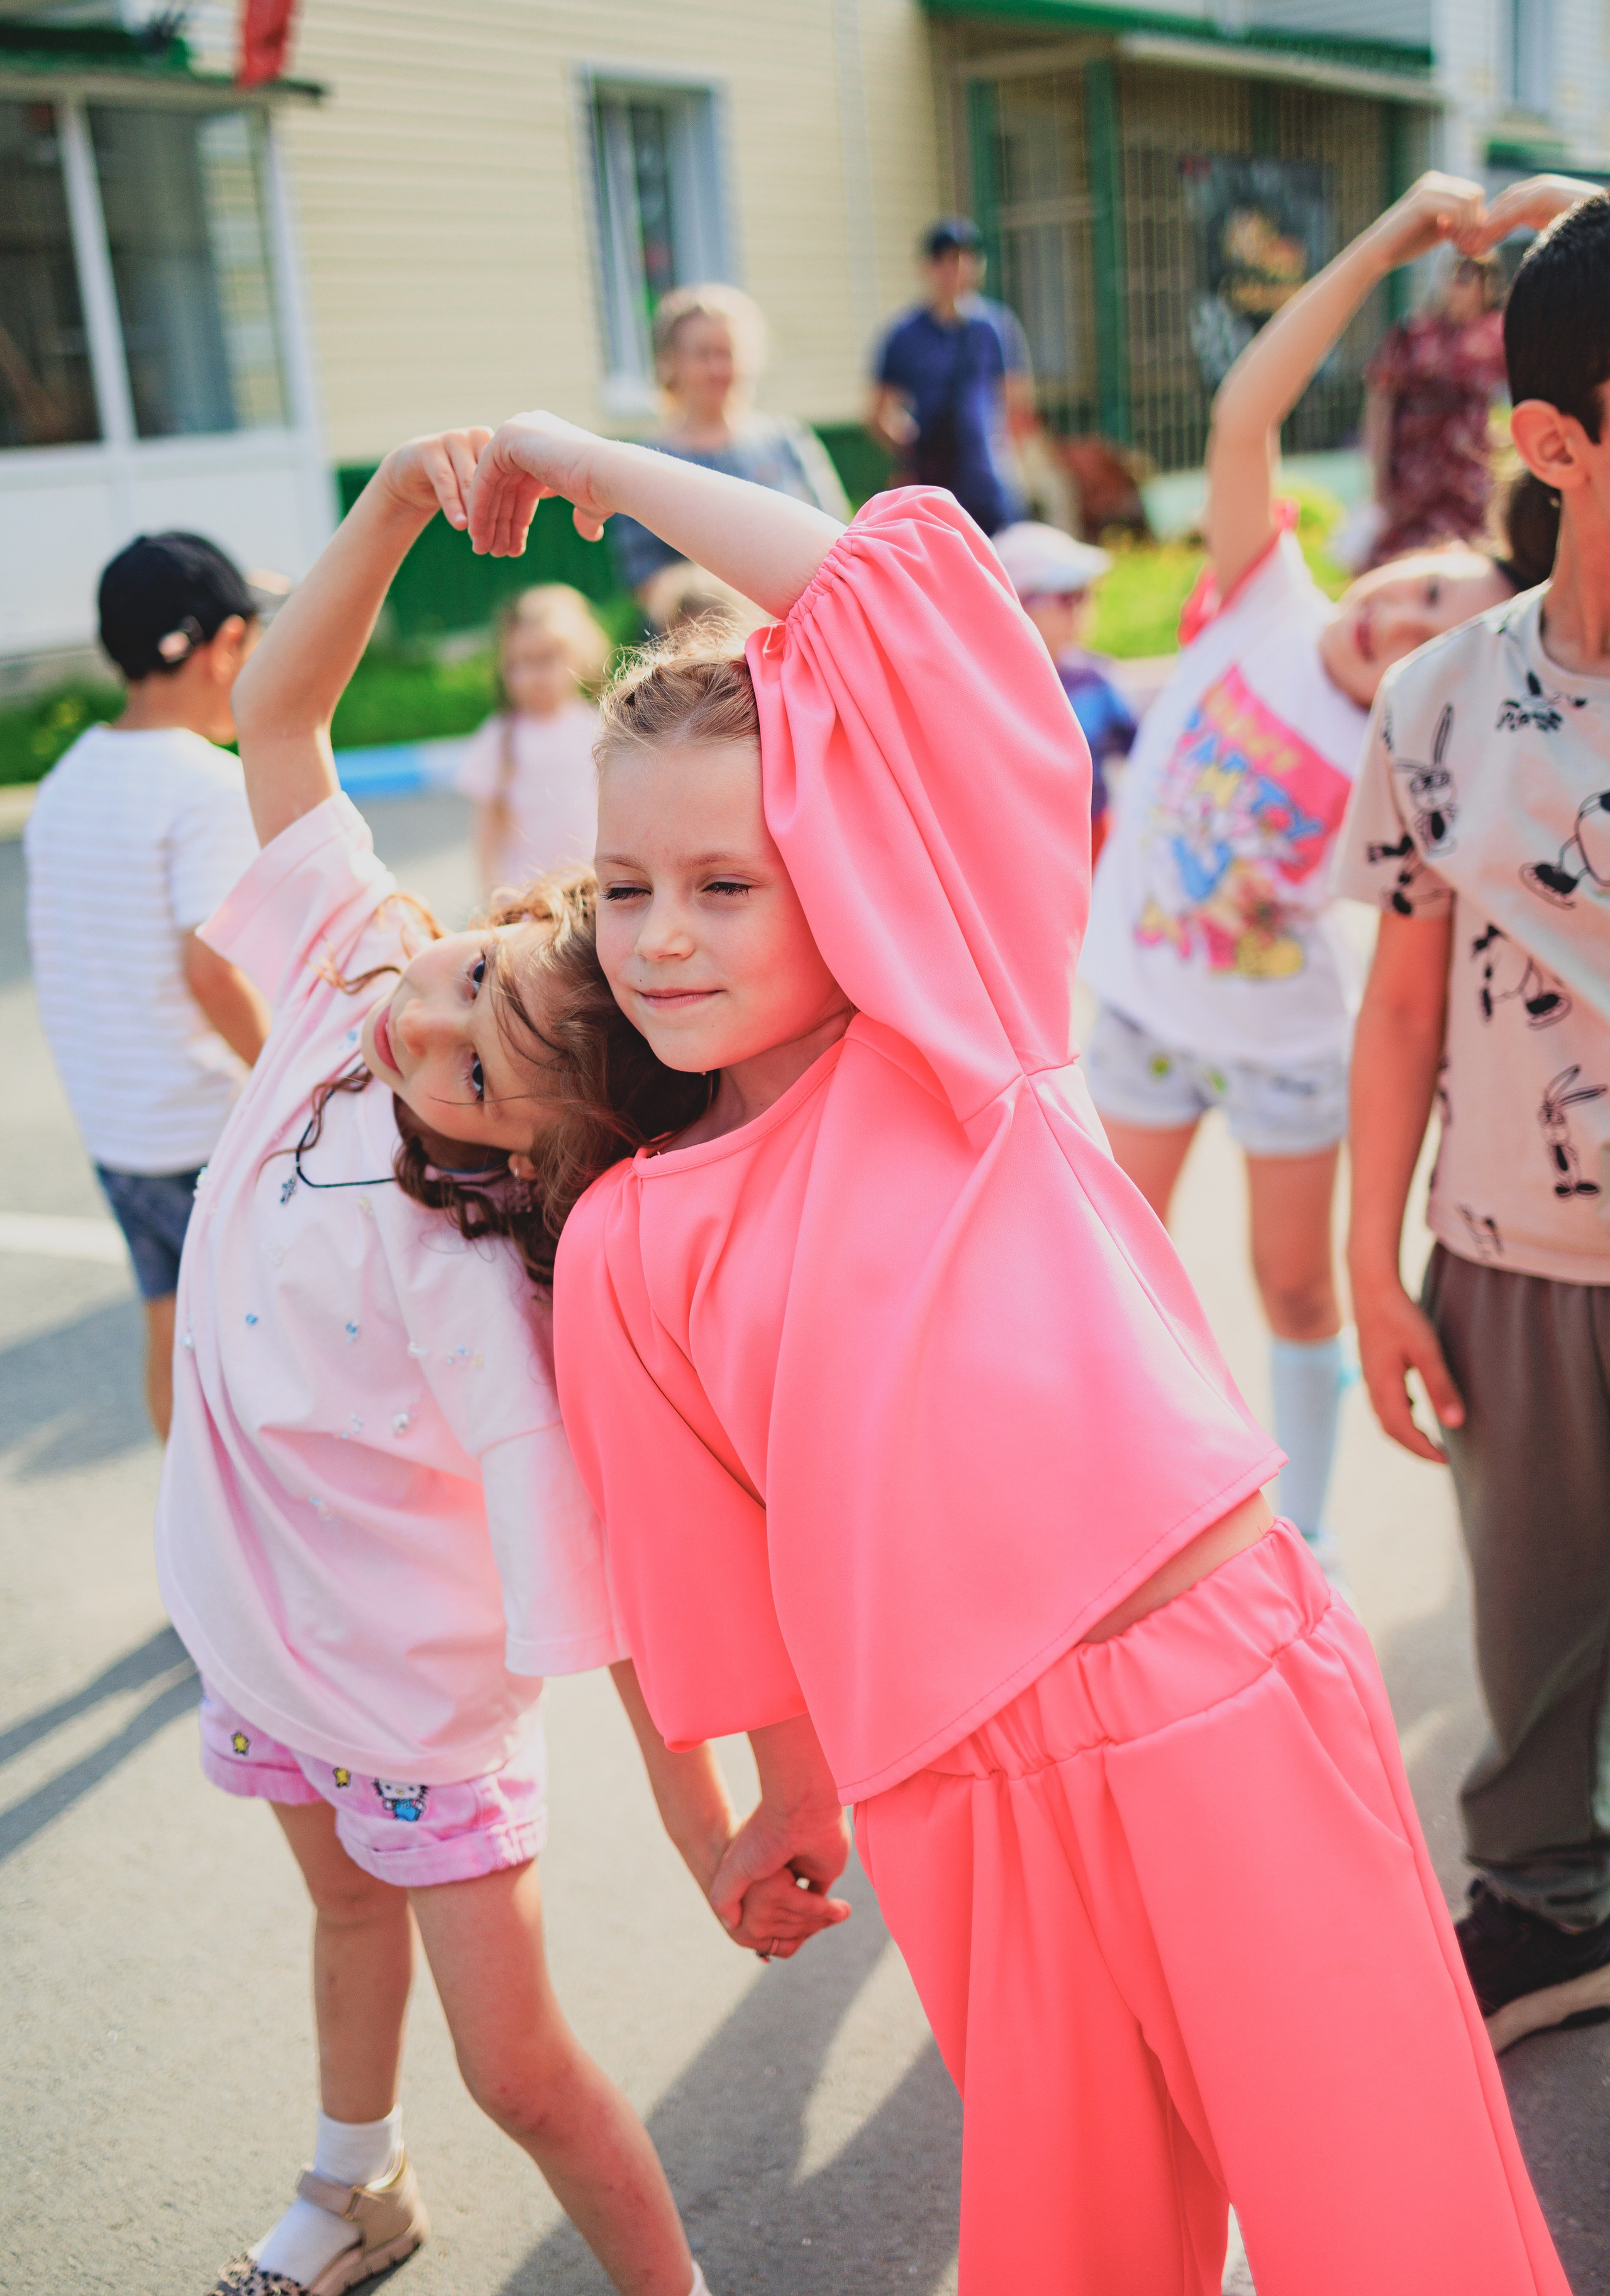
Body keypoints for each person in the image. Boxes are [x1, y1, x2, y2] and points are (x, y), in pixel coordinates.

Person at [463, 409, 1569, 2296]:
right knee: (1074, 2250)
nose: (658, 934)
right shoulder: (626, 1239)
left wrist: (597, 465)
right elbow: (719, 1584)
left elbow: (899, 586)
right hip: (949, 1785)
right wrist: (784, 1803)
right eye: (624, 885)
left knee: (1392, 2222)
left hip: (1212, 1689)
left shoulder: (951, 1025)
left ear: (841, 871)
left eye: (725, 881)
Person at [160, 433, 844, 2296]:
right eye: (467, 975)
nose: (427, 1027)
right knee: (337, 1914)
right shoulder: (353, 975)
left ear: (536, 1157)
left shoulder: (488, 1293)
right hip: (258, 1632)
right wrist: (392, 504)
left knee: (520, 2067)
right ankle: (352, 2186)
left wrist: (711, 1834)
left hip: (409, 1708)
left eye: (477, 1069)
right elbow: (280, 715)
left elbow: (618, 1607)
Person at [1079, 174, 1523, 1578]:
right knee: (1110, 1272)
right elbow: (1243, 414)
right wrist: (1384, 242)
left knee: (1290, 1288)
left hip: (1282, 1052)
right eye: (1419, 586)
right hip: (1142, 1014)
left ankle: (1308, 1536)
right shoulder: (1267, 596)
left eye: (1431, 638)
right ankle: (1121, 1510)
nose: (1399, 622)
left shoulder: (1411, 745)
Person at [1341, 174, 1610, 2057]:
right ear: (1553, 444)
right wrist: (1373, 1269)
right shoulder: (1439, 699)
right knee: (1532, 1628)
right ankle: (1543, 1907)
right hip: (1509, 1258)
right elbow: (1397, 1005)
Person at [25, 533, 270, 1438]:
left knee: (168, 1319)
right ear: (226, 645)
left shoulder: (67, 779)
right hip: (200, 1120)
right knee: (254, 1340)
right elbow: (210, 968)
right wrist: (286, 1071)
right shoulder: (203, 786)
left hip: (117, 1123)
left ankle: (186, 1508)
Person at [608, 282, 848, 612]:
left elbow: (837, 539)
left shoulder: (788, 441)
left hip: (798, 625)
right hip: (699, 637)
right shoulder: (646, 462)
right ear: (671, 362)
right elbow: (645, 578)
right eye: (703, 354)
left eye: (728, 353)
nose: (717, 368)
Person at [869, 217, 1033, 537]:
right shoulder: (905, 334)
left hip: (987, 481)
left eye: (965, 258)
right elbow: (878, 413)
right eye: (945, 259)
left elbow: (1017, 403)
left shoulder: (995, 327)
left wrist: (1009, 460)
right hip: (932, 482)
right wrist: (912, 450)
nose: (956, 269)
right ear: (928, 267)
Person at [455, 582, 608, 901]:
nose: (534, 676)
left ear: (577, 656)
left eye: (547, 659)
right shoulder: (501, 737)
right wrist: (492, 892)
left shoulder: (598, 727)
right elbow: (487, 827)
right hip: (527, 893)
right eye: (522, 663)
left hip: (591, 887)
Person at [992, 520, 1135, 861]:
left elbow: (1140, 751)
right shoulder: (990, 693)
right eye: (1068, 596)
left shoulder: (1095, 681)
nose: (1082, 607)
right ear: (1017, 604)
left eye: (1084, 594)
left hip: (1094, 842)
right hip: (1023, 851)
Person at [1363, 248, 1508, 564]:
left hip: (1470, 479)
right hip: (1415, 477)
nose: (1459, 286)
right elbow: (1381, 400)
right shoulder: (1415, 334)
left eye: (1469, 277)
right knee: (1403, 561)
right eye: (1453, 275)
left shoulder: (1497, 335)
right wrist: (1377, 473)